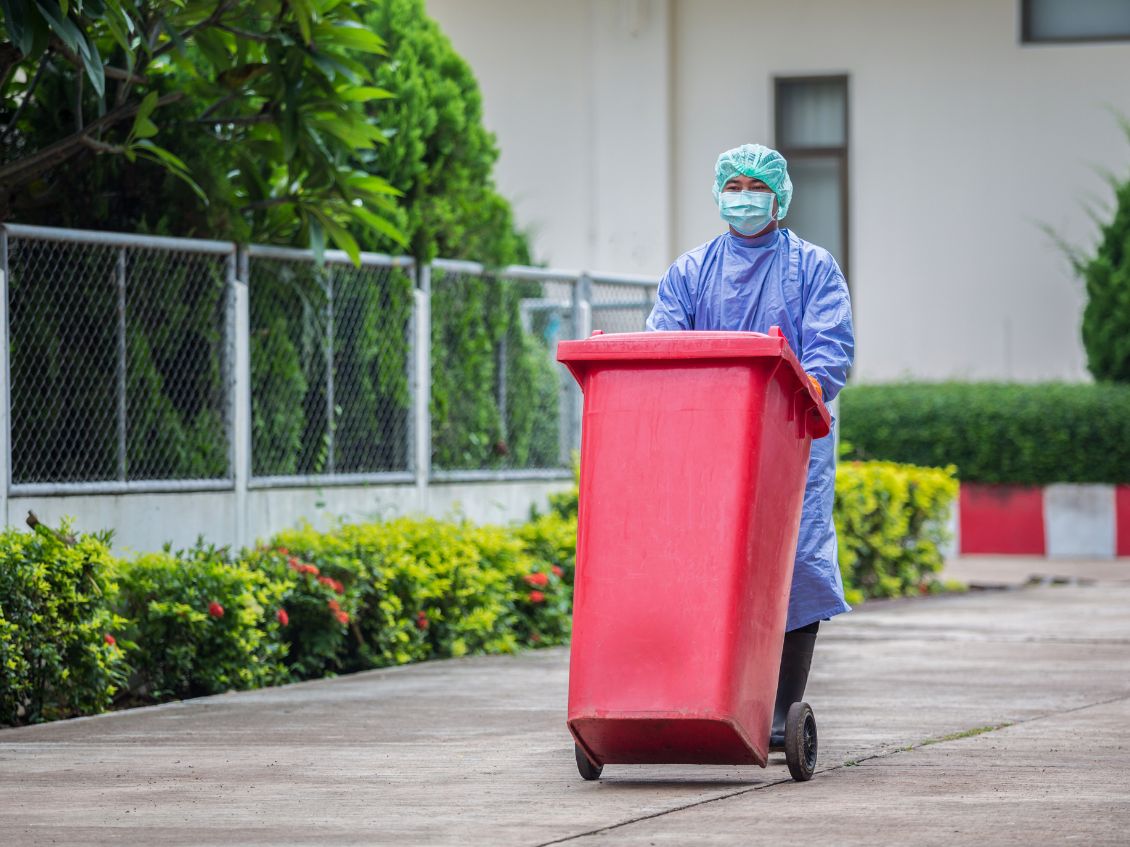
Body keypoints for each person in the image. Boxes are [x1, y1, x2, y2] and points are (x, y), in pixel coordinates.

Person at [646, 142, 855, 750]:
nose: (744, 197)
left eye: (753, 186)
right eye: (732, 187)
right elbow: (665, 348)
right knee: (702, 563)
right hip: (706, 448)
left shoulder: (814, 268)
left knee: (796, 561)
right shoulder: (690, 272)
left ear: (779, 196)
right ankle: (701, 695)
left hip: (790, 442)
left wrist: (802, 387)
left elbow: (829, 352)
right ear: (718, 195)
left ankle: (781, 709)